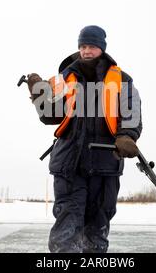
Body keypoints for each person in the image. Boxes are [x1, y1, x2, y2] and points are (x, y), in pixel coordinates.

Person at [26, 25, 142, 253]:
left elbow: (132, 113)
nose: (87, 50)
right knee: (67, 226)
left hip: (106, 163)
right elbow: (50, 116)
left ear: (102, 48)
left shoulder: (122, 80)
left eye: (92, 46)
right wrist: (39, 96)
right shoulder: (63, 78)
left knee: (97, 227)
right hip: (70, 164)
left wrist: (127, 136)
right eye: (83, 46)